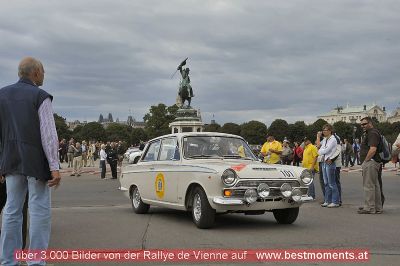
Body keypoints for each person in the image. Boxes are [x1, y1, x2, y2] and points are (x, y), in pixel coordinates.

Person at [0, 57, 61, 265]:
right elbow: (48, 134)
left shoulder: (2, 95)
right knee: (38, 211)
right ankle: (36, 261)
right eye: (43, 71)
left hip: (10, 160)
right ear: (35, 73)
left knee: (11, 210)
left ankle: (8, 260)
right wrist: (54, 166)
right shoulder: (40, 96)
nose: (44, 75)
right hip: (35, 161)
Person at [358, 117, 383, 214]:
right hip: (374, 162)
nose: (362, 126)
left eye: (364, 124)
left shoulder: (372, 133)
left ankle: (369, 207)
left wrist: (365, 161)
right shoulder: (373, 132)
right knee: (375, 185)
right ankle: (377, 207)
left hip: (371, 162)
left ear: (370, 123)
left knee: (368, 186)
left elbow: (373, 149)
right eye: (361, 125)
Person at [317, 124, 340, 208]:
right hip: (324, 161)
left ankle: (335, 201)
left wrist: (321, 151)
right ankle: (327, 200)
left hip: (329, 162)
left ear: (330, 131)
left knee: (331, 183)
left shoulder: (333, 139)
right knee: (326, 183)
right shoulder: (326, 139)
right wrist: (321, 150)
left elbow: (325, 150)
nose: (324, 131)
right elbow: (319, 146)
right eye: (323, 130)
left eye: (325, 130)